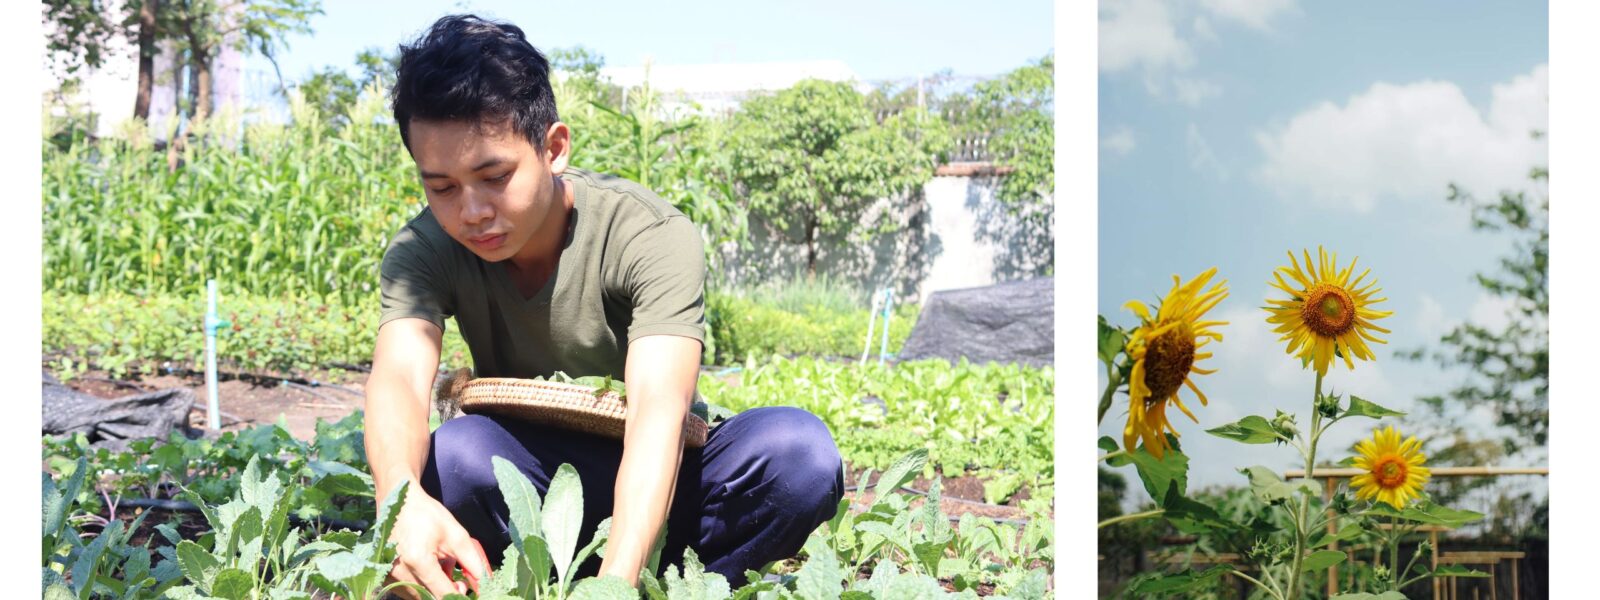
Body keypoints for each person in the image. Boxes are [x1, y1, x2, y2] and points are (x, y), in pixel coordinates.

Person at [363, 14, 846, 598]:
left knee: (799, 457)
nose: (471, 211)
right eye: (441, 187)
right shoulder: (424, 250)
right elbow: (399, 378)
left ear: (553, 147)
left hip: (667, 474)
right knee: (457, 457)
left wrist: (613, 586)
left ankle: (676, 583)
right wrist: (403, 501)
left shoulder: (648, 234)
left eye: (494, 176)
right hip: (536, 478)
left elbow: (658, 413)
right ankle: (541, 577)